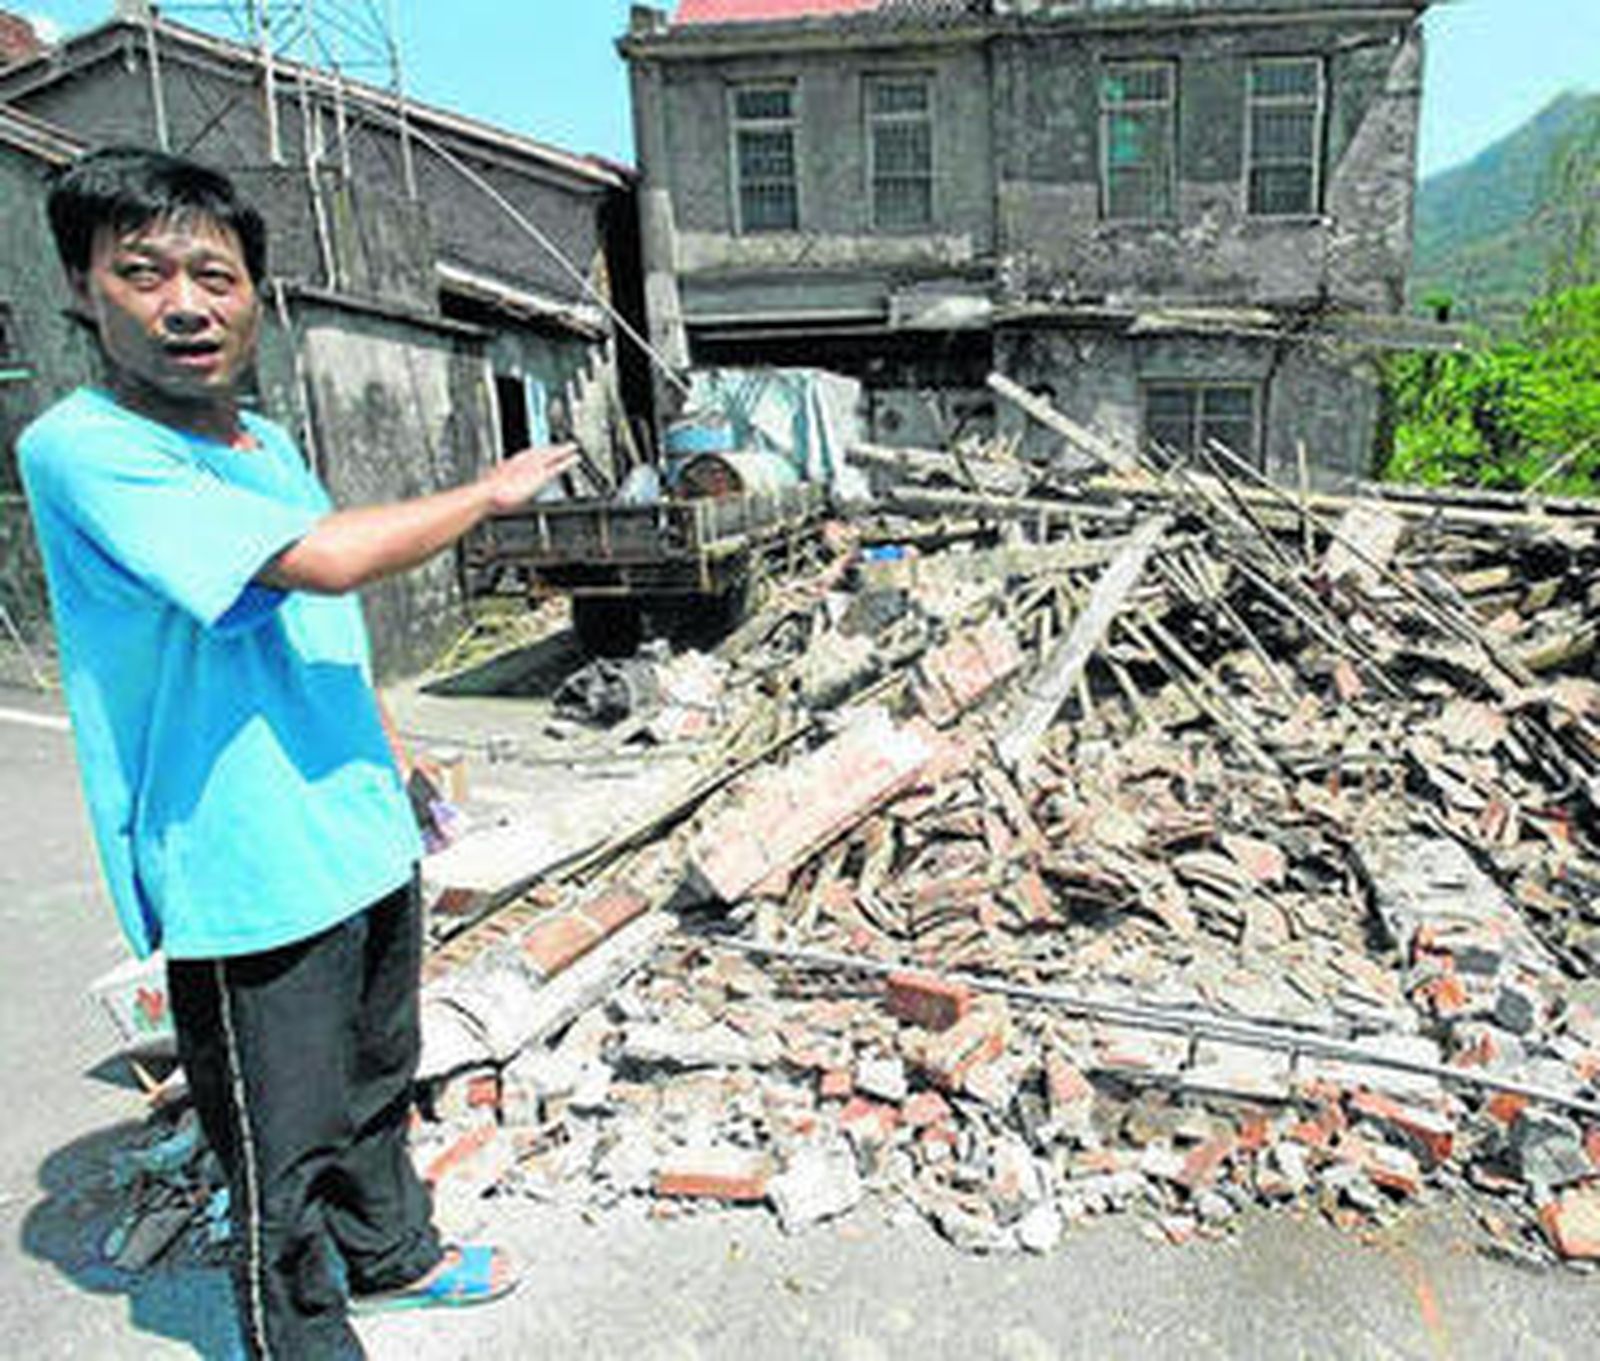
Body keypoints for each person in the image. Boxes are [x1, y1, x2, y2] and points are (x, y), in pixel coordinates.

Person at [19, 146, 577, 1358]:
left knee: (380, 1071)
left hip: (355, 824)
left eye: (214, 276)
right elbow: (318, 562)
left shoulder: (263, 443)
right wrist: (488, 495)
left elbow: (329, 618)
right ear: (80, 286)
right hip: (241, 855)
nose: (184, 304)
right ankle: (298, 1335)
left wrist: (392, 753)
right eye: (142, 273)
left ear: (254, 296)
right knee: (282, 1135)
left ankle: (393, 1258)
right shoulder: (84, 447)